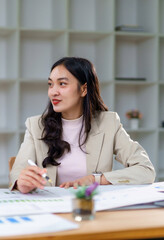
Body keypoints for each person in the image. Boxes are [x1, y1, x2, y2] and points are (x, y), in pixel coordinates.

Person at [10, 57, 155, 193]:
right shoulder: (36, 125)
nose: (53, 92)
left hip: (91, 206)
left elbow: (146, 170)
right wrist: (21, 182)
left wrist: (95, 179)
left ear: (84, 89)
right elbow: (17, 173)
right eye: (50, 84)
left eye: (62, 84)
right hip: (52, 209)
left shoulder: (109, 123)